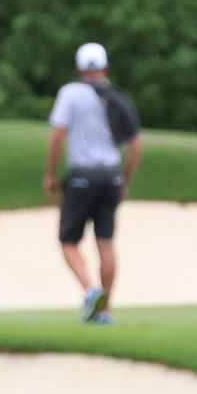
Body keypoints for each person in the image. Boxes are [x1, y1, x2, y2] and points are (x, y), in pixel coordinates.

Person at [44, 42, 142, 324]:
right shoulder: (117, 96)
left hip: (82, 176)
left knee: (68, 241)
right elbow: (135, 146)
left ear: (78, 68)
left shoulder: (70, 93)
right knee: (107, 244)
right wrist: (124, 179)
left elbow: (57, 136)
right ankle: (105, 310)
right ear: (105, 67)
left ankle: (91, 290)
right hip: (111, 175)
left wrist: (50, 174)